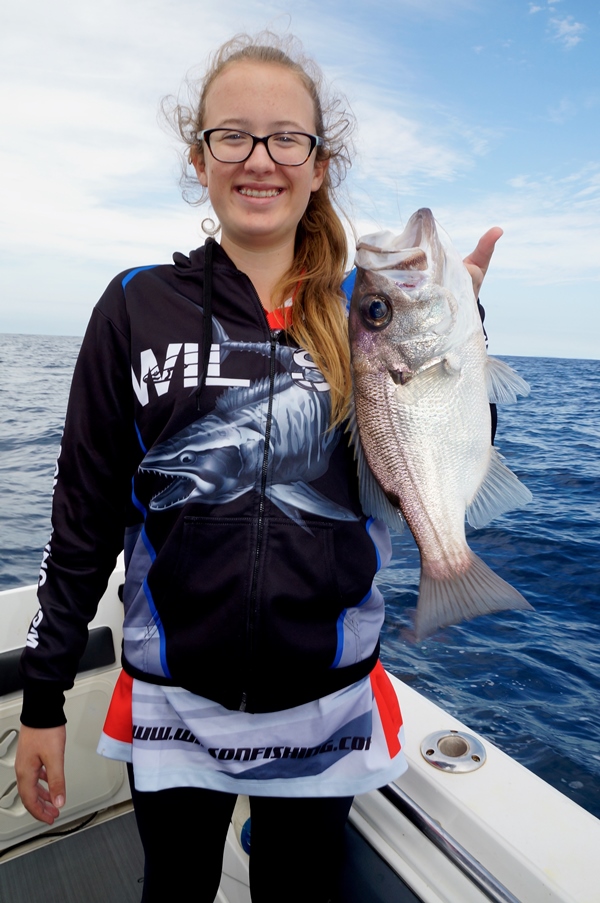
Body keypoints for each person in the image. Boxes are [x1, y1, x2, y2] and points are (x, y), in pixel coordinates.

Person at [15, 31, 501, 903]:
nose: (260, 160)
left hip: (331, 704)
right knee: (176, 885)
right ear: (199, 158)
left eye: (288, 139)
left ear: (321, 164)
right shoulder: (136, 304)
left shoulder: (372, 311)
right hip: (173, 706)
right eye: (232, 136)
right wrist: (43, 699)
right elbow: (82, 512)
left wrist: (462, 337)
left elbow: (444, 448)